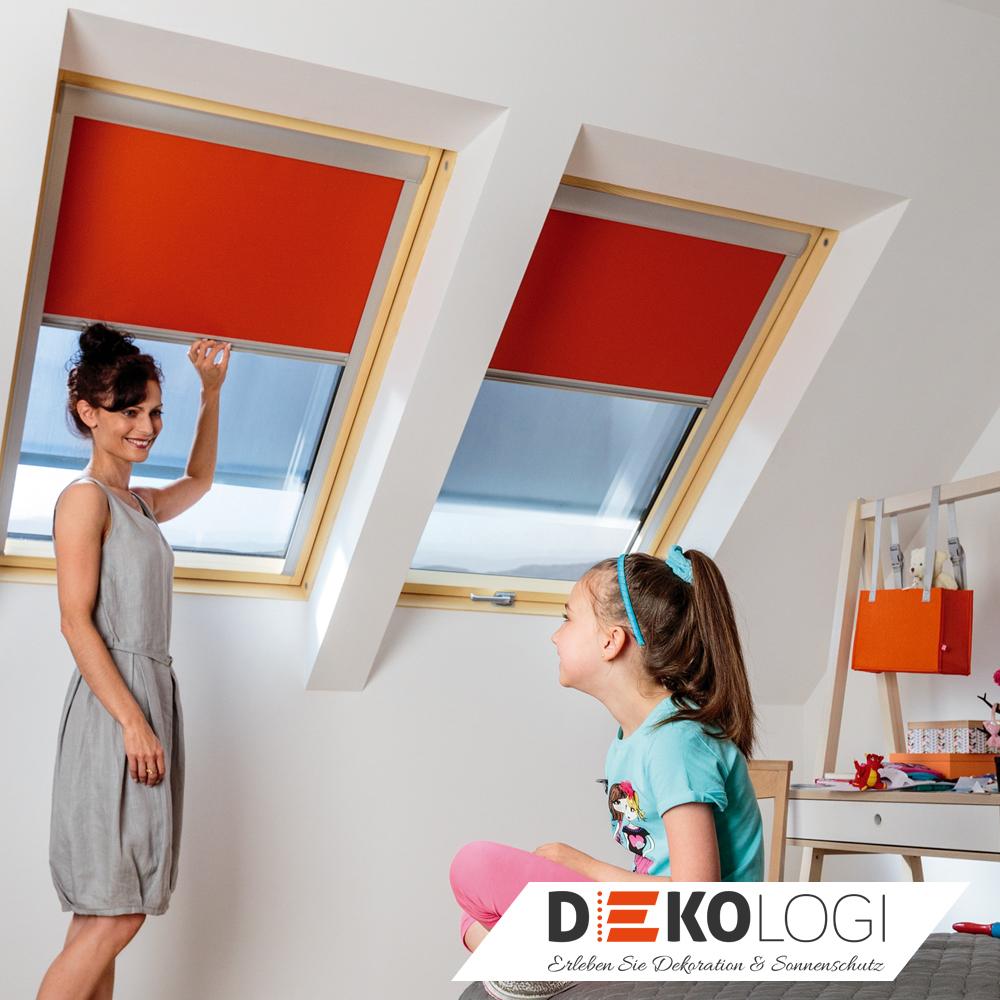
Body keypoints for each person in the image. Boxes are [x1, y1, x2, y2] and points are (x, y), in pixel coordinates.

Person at [449, 546, 764, 1000]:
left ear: (611, 641)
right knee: (474, 914)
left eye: (568, 618)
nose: (555, 636)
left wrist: (583, 866)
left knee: (475, 865)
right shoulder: (633, 740)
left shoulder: (677, 742)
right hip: (656, 924)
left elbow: (699, 898)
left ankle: (556, 958)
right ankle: (552, 958)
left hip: (698, 936)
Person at [37, 322, 231, 1000]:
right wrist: (132, 722)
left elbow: (200, 478)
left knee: (105, 909)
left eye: (153, 412)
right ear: (89, 414)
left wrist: (210, 395)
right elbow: (75, 621)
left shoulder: (139, 504)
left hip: (146, 701)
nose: (146, 427)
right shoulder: (83, 500)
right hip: (114, 710)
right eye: (129, 412)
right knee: (119, 910)